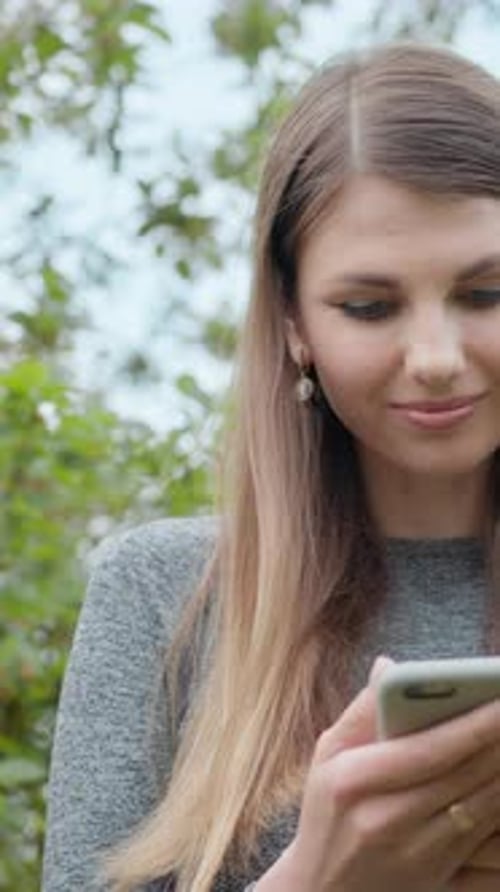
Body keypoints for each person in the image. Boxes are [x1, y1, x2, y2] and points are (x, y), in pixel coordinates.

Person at [41, 40, 500, 892]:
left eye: (487, 294)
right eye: (370, 306)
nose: (435, 356)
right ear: (295, 324)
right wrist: (322, 877)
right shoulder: (164, 595)